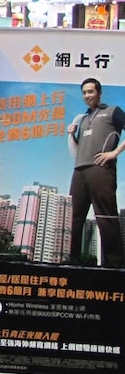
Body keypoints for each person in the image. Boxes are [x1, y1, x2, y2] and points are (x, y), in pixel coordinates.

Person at [67, 78, 125, 267]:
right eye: (84, 92)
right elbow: (78, 149)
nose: (87, 96)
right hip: (79, 171)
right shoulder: (82, 119)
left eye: (90, 91)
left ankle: (114, 266)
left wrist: (115, 153)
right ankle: (72, 262)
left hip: (101, 169)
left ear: (99, 93)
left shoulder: (112, 111)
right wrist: (71, 134)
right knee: (73, 219)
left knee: (105, 216)